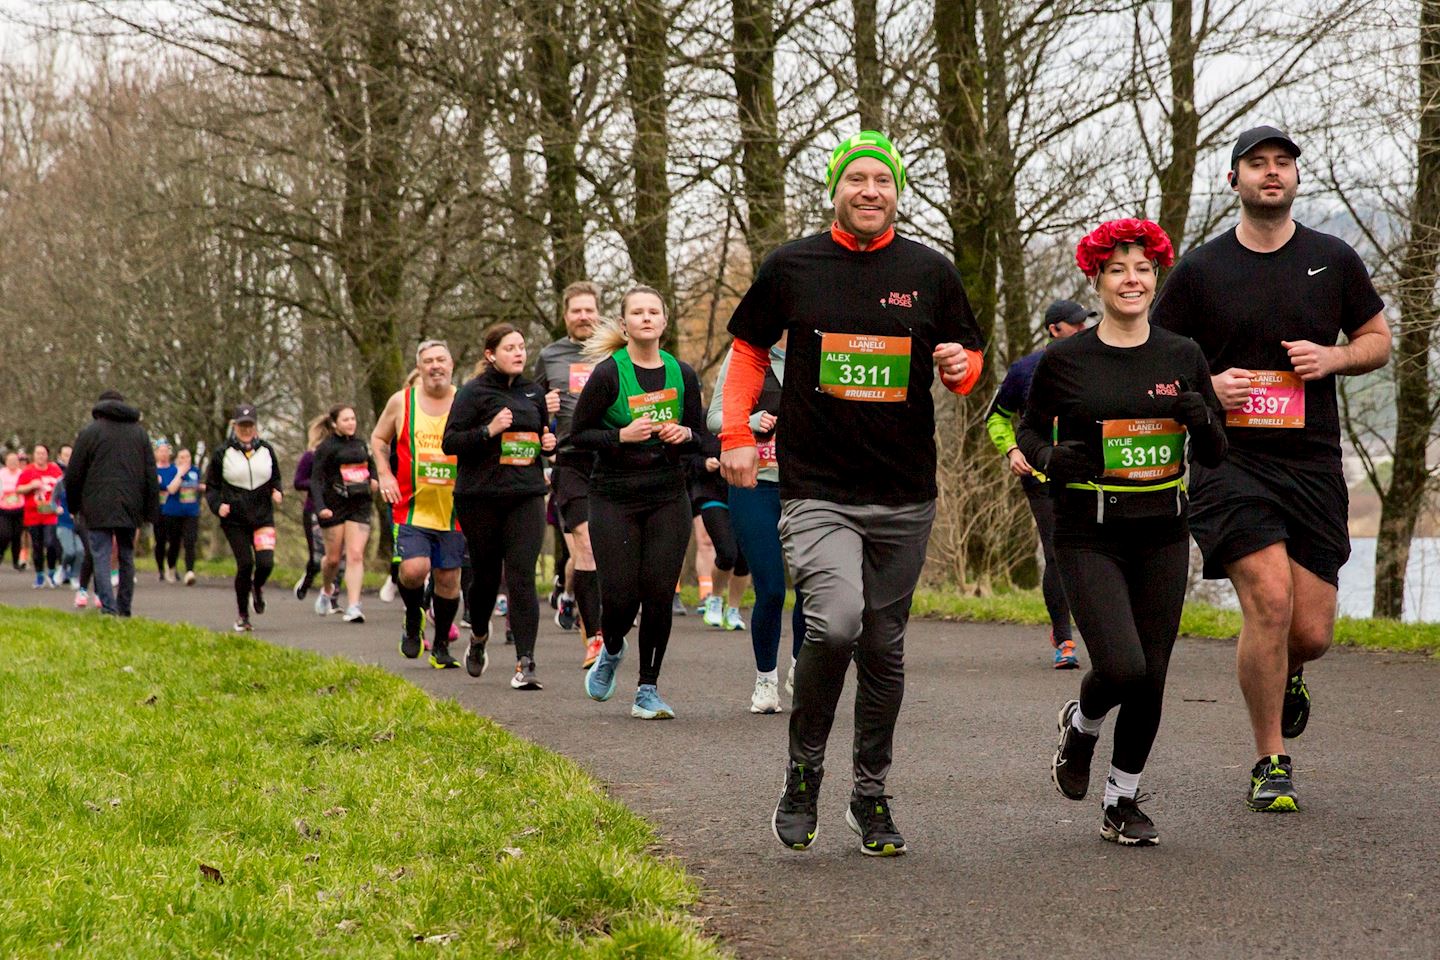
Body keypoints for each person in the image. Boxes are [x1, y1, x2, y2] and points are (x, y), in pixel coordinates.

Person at [719, 131, 985, 856]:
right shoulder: (794, 265)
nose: (870, 190)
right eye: (857, 179)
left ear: (898, 191)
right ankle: (803, 772)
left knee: (885, 647)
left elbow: (966, 365)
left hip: (903, 492)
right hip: (818, 489)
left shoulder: (930, 272)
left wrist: (961, 366)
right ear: (836, 188)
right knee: (835, 624)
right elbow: (747, 351)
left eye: (883, 181)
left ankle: (870, 795)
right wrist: (735, 435)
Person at [1152, 126, 1391, 813]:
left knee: (1310, 631)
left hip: (1312, 462)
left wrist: (1334, 357)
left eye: (1283, 163)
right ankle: (1269, 762)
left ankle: (1287, 673)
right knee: (1269, 601)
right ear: (1234, 181)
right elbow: (1158, 357)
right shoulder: (1199, 270)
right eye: (1257, 164)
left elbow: (1378, 338)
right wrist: (1207, 386)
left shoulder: (1332, 258)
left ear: (1294, 178)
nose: (1271, 173)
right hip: (1231, 462)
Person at [1017, 218, 1227, 846]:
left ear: (1156, 276)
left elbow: (1215, 450)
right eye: (1117, 270)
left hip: (1163, 530)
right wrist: (1052, 460)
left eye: (1141, 269)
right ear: (1097, 279)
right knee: (1124, 666)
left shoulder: (1182, 354)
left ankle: (1122, 800)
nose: (1130, 280)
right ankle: (1081, 723)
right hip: (1089, 531)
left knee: (1153, 675)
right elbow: (1028, 434)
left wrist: (1199, 415)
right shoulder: (1064, 358)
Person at [574, 286, 718, 719]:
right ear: (624, 324)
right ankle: (612, 647)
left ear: (664, 321)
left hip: (666, 494)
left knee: (658, 592)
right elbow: (575, 438)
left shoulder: (683, 373)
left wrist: (687, 435)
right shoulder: (607, 374)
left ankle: (647, 689)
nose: (646, 318)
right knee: (620, 598)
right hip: (614, 495)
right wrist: (621, 435)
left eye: (654, 311)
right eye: (637, 312)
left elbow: (704, 436)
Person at [443, 323, 558, 688]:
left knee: (522, 574)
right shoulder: (472, 393)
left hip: (525, 494)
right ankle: (478, 636)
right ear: (490, 355)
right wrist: (488, 431)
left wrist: (549, 443)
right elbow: (450, 442)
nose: (519, 353)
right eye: (510, 348)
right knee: (486, 578)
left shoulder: (533, 392)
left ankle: (526, 662)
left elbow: (539, 437)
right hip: (480, 497)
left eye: (522, 347)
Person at [985, 299, 1094, 669]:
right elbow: (996, 418)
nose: (1082, 330)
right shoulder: (1025, 370)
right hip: (1040, 475)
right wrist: (1012, 450)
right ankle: (1064, 638)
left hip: (1093, 475)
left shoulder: (1100, 362)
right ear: (1054, 330)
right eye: (1074, 325)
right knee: (1057, 553)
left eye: (1084, 324)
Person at [707, 336, 808, 712]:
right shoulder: (746, 353)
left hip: (806, 485)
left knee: (812, 587)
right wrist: (747, 422)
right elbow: (715, 416)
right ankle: (766, 680)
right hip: (755, 482)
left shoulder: (817, 348)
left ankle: (801, 669)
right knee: (770, 588)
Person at [372, 340, 466, 668]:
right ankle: (414, 617)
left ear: (452, 364)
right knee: (414, 570)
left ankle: (441, 647)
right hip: (411, 505)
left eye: (441, 359)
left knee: (449, 578)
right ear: (420, 367)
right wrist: (384, 474)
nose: (435, 366)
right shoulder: (402, 401)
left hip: (454, 506)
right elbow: (379, 438)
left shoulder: (465, 401)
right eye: (429, 361)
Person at [534, 281, 606, 667]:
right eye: (576, 310)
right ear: (565, 315)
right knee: (586, 543)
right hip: (571, 459)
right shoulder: (549, 356)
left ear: (599, 312)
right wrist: (542, 410)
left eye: (589, 309)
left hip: (612, 456)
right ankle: (593, 635)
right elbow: (530, 412)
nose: (583, 316)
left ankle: (604, 619)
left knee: (612, 548)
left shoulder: (615, 350)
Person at [65, 390, 160, 617]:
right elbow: (150, 473)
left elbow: (74, 473)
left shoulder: (90, 432)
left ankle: (108, 607)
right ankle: (124, 607)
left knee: (101, 554)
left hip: (96, 503)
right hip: (130, 503)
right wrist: (150, 510)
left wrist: (74, 505)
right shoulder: (139, 434)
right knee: (126, 555)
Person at [204, 404, 283, 632]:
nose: (246, 430)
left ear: (256, 426)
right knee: (246, 564)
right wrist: (218, 506)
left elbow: (275, 477)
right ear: (234, 426)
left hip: (263, 517)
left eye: (250, 425)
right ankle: (243, 615)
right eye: (242, 425)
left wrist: (277, 491)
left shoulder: (267, 449)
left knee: (266, 563)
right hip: (235, 520)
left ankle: (257, 587)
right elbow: (212, 487)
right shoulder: (222, 453)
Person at [311, 404, 378, 623]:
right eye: (346, 420)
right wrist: (321, 507)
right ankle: (327, 589)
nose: (351, 423)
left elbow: (371, 464)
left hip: (359, 505)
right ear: (334, 424)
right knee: (332, 559)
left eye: (353, 419)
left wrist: (375, 480)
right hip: (334, 506)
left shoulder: (361, 445)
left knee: (356, 554)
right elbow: (316, 480)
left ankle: (354, 606)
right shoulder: (326, 448)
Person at [689, 456, 750, 631]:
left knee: (744, 558)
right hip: (712, 490)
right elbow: (687, 452)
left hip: (747, 490)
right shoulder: (705, 428)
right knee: (727, 552)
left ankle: (733, 609)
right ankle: (714, 598)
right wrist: (703, 462)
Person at [17, 443, 64, 588]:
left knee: (50, 543)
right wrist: (31, 485)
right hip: (33, 514)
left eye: (43, 453)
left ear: (47, 455)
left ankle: (51, 571)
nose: (40, 456)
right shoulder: (28, 471)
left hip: (50, 513)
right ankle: (39, 575)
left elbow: (63, 488)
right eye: (37, 453)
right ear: (34, 455)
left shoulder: (55, 470)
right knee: (36, 546)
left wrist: (60, 506)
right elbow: (18, 489)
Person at [159, 448, 203, 585]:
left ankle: (190, 571)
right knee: (174, 543)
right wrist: (181, 475)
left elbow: (196, 487)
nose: (185, 459)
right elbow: (171, 489)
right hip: (173, 512)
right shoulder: (172, 471)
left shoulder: (195, 471)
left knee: (190, 541)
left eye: (187, 456)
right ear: (178, 459)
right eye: (182, 457)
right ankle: (171, 567)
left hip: (191, 513)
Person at [53, 445, 82, 586]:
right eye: (66, 455)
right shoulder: (60, 482)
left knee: (81, 551)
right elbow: (52, 500)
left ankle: (74, 576)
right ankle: (63, 568)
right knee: (70, 551)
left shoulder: (82, 482)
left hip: (78, 523)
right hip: (63, 522)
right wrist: (56, 508)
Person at [152, 439, 179, 582]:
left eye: (166, 451)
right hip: (158, 509)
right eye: (160, 451)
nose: (163, 454)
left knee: (174, 540)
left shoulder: (174, 469)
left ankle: (172, 566)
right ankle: (160, 569)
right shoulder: (152, 469)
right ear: (156, 453)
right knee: (160, 540)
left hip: (174, 509)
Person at [0, 450, 24, 571]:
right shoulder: (2, 474)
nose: (13, 463)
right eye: (10, 461)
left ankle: (16, 562)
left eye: (15, 461)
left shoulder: (22, 473)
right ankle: (1, 552)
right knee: (5, 534)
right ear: (6, 462)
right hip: (4, 509)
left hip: (19, 509)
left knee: (16, 536)